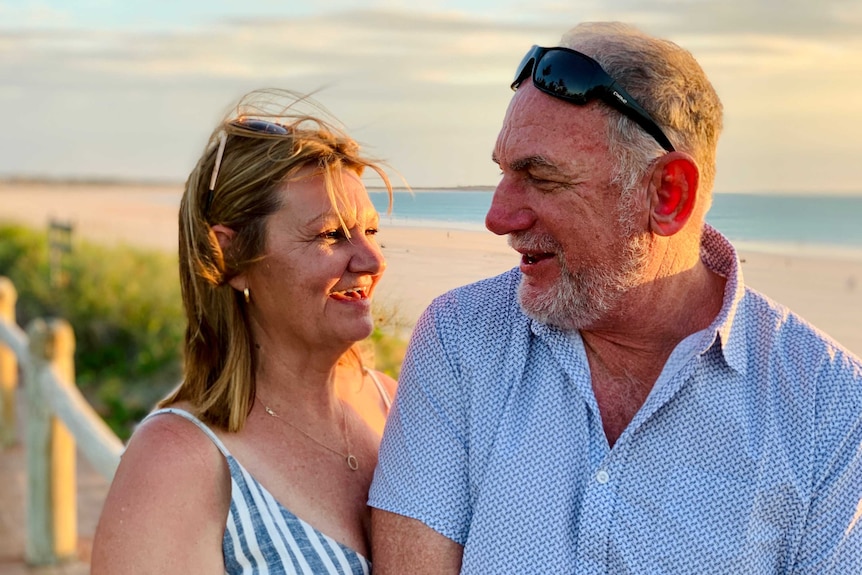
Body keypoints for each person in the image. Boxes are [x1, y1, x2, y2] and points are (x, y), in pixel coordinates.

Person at [369, 22, 862, 574]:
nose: (497, 217)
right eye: (505, 172)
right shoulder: (462, 338)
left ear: (667, 196)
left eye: (541, 178)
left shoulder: (831, 409)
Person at [92, 88, 397, 573]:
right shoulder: (177, 462)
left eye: (371, 231)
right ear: (230, 256)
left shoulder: (398, 407)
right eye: (330, 235)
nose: (372, 260)